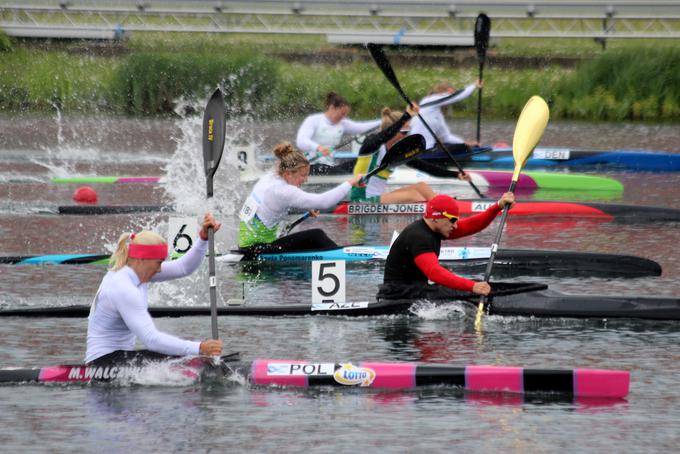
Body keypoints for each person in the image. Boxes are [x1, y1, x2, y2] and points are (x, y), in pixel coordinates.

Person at [85, 213, 223, 365]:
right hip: (103, 363)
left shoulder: (135, 271)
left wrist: (203, 239)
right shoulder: (123, 287)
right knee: (183, 359)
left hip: (120, 358)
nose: (159, 270)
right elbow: (151, 339)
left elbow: (183, 267)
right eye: (158, 263)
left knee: (182, 358)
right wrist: (200, 348)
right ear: (142, 259)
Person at [377, 193, 514, 301]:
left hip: (415, 289)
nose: (455, 225)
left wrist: (498, 206)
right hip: (399, 293)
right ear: (436, 217)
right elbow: (434, 273)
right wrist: (473, 286)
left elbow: (471, 225)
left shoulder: (435, 227)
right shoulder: (419, 237)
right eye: (452, 220)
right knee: (467, 289)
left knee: (468, 287)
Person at [238, 142, 363, 255]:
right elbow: (324, 202)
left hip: (248, 243)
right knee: (316, 235)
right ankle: (344, 257)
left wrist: (308, 207)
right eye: (303, 175)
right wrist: (350, 183)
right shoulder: (283, 191)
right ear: (288, 173)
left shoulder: (270, 177)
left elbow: (278, 201)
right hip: (255, 249)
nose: (306, 179)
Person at [351, 104, 471, 204]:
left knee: (422, 187)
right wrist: (406, 116)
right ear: (392, 131)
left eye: (408, 132)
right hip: (361, 201)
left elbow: (425, 167)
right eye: (404, 132)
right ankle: (430, 218)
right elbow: (384, 135)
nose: (407, 135)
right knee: (413, 196)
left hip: (379, 199)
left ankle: (444, 209)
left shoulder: (397, 152)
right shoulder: (371, 145)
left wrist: (456, 175)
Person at [296, 92, 381, 166]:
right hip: (310, 165)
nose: (343, 117)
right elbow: (301, 141)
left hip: (329, 165)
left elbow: (362, 128)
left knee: (357, 163)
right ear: (332, 108)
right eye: (342, 114)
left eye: (345, 115)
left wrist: (384, 121)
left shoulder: (343, 124)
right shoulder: (314, 120)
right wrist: (318, 148)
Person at [410, 79, 483, 156]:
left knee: (461, 147)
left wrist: (465, 144)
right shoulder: (431, 99)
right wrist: (474, 86)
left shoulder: (436, 114)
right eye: (452, 92)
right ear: (449, 90)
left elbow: (445, 137)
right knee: (458, 148)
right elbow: (457, 96)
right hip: (418, 151)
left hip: (427, 150)